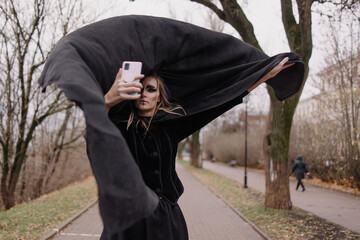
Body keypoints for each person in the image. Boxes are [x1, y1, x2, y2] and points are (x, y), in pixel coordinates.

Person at [103, 58, 293, 239]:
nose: (144, 94)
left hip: (166, 221)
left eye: (150, 90)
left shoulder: (172, 126)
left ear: (159, 98)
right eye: (140, 89)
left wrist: (263, 77)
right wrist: (108, 101)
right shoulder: (122, 127)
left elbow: (218, 104)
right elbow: (97, 132)